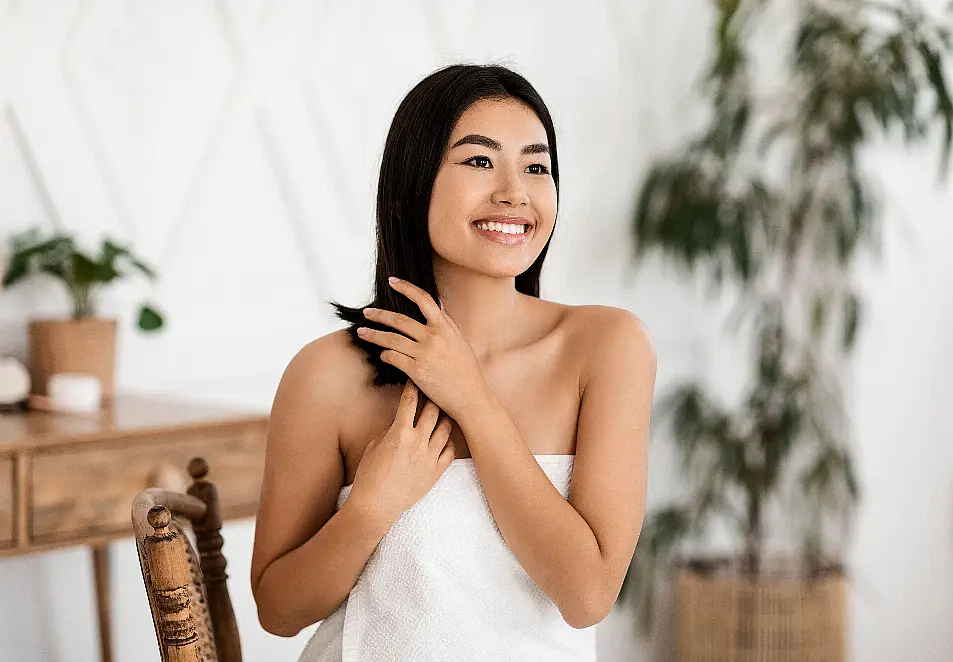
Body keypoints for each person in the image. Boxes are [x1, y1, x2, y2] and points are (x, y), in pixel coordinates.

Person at [250, 63, 656, 662]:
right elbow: (279, 611)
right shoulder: (326, 374)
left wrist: (471, 398)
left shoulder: (606, 346)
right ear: (414, 182)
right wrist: (372, 506)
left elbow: (587, 595)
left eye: (536, 167)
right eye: (479, 160)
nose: (514, 191)